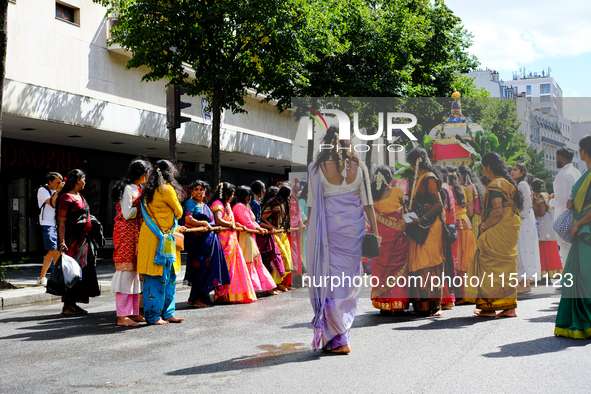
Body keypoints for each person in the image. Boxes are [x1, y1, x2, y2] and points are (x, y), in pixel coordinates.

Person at [307, 125, 379, 354]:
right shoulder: (360, 167)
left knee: (329, 283)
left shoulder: (316, 168)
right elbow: (368, 204)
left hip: (329, 234)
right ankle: (339, 336)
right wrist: (375, 234)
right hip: (354, 235)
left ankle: (338, 338)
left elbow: (311, 205)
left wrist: (310, 236)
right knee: (350, 283)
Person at [467, 152, 523, 317]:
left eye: (483, 167)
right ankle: (509, 307)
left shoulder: (495, 185)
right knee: (507, 266)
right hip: (510, 229)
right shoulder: (509, 184)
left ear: (488, 167)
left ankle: (489, 307)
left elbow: (497, 211)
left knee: (488, 264)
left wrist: (483, 226)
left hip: (497, 228)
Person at [137, 160, 186, 325]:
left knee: (152, 277)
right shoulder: (167, 189)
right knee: (168, 276)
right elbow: (179, 212)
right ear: (169, 173)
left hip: (149, 236)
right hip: (164, 238)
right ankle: (163, 314)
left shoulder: (147, 190)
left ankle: (155, 315)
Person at [555, 135, 591, 338]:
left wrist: (579, 223)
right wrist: (572, 205)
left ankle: (584, 321)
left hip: (586, 231)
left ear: (583, 151)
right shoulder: (584, 172)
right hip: (581, 231)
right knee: (575, 277)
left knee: (585, 279)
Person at [111, 159, 151, 326]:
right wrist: (144, 207)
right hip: (126, 233)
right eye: (147, 172)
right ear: (142, 174)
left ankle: (132, 312)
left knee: (134, 273)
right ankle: (122, 316)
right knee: (126, 273)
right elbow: (128, 213)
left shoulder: (137, 188)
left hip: (135, 233)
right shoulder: (128, 189)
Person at [405, 147, 444, 316]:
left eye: (412, 164)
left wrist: (420, 220)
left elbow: (438, 204)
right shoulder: (419, 177)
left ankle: (434, 306)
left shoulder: (429, 177)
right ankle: (421, 306)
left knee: (428, 263)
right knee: (417, 263)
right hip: (418, 228)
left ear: (417, 161)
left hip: (430, 227)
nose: (412, 167)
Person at [56, 169, 101, 315]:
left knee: (83, 271)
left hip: (84, 240)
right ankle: (67, 306)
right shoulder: (65, 197)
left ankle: (74, 303)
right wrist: (62, 242)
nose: (85, 182)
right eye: (84, 179)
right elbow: (61, 222)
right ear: (77, 180)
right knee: (72, 272)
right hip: (72, 240)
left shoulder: (79, 196)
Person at [183, 180, 230, 308]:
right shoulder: (190, 203)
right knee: (200, 269)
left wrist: (215, 227)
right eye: (196, 189)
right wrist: (203, 223)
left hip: (208, 242)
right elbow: (188, 219)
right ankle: (199, 299)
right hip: (197, 242)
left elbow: (212, 222)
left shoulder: (205, 205)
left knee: (207, 268)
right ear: (191, 192)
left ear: (205, 192)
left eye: (201, 189)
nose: (199, 192)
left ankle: (194, 298)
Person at [369, 165, 409, 314]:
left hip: (380, 240)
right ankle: (398, 303)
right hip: (396, 239)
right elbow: (406, 212)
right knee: (398, 269)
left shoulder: (372, 195)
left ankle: (383, 304)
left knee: (381, 272)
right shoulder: (398, 193)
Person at [210, 182, 257, 304]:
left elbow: (231, 220)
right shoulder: (217, 204)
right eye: (231, 194)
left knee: (236, 267)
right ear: (225, 194)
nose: (232, 197)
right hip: (224, 239)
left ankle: (234, 294)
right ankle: (223, 295)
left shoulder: (226, 204)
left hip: (232, 238)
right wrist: (231, 225)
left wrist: (237, 224)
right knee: (227, 267)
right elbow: (218, 220)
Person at [231, 185, 279, 296]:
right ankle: (252, 289)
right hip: (245, 238)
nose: (249, 198)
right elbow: (247, 223)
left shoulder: (242, 206)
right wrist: (259, 229)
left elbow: (252, 223)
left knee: (255, 263)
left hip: (249, 236)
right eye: (248, 196)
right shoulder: (239, 206)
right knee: (249, 263)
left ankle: (264, 288)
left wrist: (259, 228)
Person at [510, 163, 541, 293]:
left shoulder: (522, 185)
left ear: (522, 172)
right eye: (512, 169)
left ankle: (526, 284)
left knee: (524, 250)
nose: (512, 172)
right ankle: (523, 282)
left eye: (515, 170)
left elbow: (528, 204)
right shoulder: (518, 184)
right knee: (520, 249)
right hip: (522, 219)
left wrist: (518, 216)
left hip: (524, 220)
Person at [549, 147, 581, 269]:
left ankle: (568, 283)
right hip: (576, 216)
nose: (556, 160)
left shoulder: (562, 175)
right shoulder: (576, 172)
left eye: (557, 157)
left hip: (563, 219)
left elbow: (560, 199)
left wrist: (549, 201)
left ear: (561, 158)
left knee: (566, 250)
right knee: (573, 251)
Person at [448, 166, 476, 303]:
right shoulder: (462, 189)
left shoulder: (448, 190)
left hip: (457, 225)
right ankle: (469, 293)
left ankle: (460, 294)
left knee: (458, 259)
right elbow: (469, 210)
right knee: (467, 259)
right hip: (467, 224)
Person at [262, 186, 294, 291]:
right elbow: (263, 218)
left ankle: (281, 283)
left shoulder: (283, 203)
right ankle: (275, 284)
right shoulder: (274, 203)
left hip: (281, 233)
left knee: (287, 259)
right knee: (277, 259)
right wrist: (272, 227)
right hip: (274, 234)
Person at [532, 178, 563, 280]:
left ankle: (545, 277)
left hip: (543, 226)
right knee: (549, 250)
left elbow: (541, 212)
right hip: (547, 226)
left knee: (543, 250)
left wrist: (531, 213)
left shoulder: (541, 197)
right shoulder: (545, 195)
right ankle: (548, 276)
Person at [37, 172, 64, 285]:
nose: (59, 184)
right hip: (47, 223)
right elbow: (52, 203)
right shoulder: (43, 190)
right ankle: (42, 277)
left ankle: (54, 276)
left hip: (57, 224)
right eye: (58, 182)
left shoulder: (57, 191)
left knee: (59, 250)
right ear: (50, 182)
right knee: (52, 250)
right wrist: (58, 191)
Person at [436, 164, 457, 309]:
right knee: (449, 262)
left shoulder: (442, 188)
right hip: (451, 226)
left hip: (443, 227)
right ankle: (450, 297)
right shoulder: (448, 187)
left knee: (443, 262)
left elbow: (441, 210)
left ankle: (446, 298)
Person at [458, 165, 485, 241]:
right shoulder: (478, 186)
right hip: (480, 217)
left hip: (474, 220)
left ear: (462, 176)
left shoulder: (468, 188)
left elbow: (470, 212)